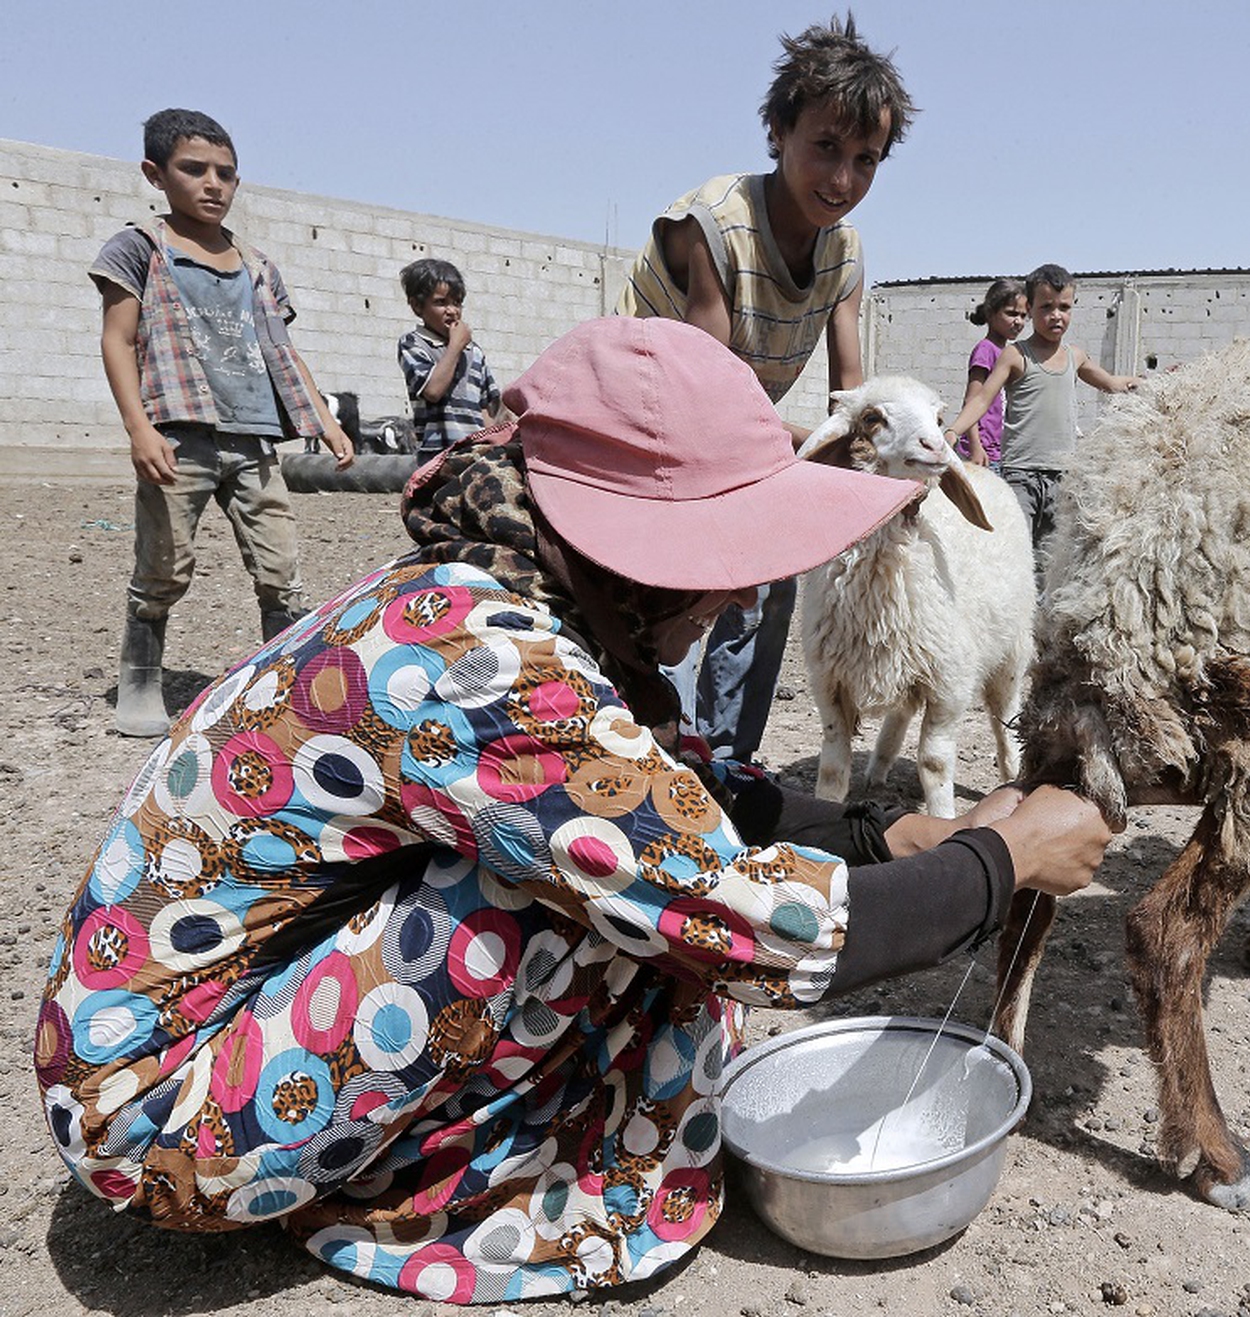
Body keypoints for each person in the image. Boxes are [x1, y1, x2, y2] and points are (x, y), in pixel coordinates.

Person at [36, 316, 1118, 1303]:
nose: (748, 593)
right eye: (730, 557)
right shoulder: (484, 669)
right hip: (165, 1119)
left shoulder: (491, 594)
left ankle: (449, 1144)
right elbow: (742, 920)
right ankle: (410, 1198)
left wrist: (882, 833)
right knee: (589, 896)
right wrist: (999, 860)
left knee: (619, 855)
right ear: (634, 552)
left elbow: (662, 784)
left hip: (230, 1030)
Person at [613, 14, 915, 764]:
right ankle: (661, 753)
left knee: (773, 574)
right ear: (777, 131)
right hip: (643, 424)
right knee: (679, 585)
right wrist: (809, 454)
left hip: (732, 424)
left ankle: (729, 763)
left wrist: (878, 473)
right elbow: (701, 398)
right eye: (825, 147)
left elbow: (850, 399)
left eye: (866, 159)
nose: (842, 180)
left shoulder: (844, 253)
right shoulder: (715, 225)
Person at [90, 108, 355, 739]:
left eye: (226, 173)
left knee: (280, 568)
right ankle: (141, 676)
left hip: (253, 436)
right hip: (179, 436)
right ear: (155, 174)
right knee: (164, 565)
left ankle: (287, 683)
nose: (213, 184)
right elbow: (117, 339)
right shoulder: (140, 249)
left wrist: (324, 418)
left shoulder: (256, 264)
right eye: (194, 169)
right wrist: (139, 429)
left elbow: (282, 349)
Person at [943, 263, 1141, 565]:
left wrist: (1152, 382)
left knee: (1050, 560)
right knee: (1015, 552)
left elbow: (1112, 384)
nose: (1056, 315)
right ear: (1031, 309)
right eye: (1046, 307)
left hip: (1062, 477)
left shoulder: (1075, 356)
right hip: (1021, 474)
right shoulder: (1016, 355)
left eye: (1064, 307)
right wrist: (953, 431)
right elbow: (981, 398)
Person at [397, 257, 503, 465]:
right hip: (438, 458)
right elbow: (433, 391)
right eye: (441, 302)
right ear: (417, 306)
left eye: (457, 303)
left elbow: (486, 409)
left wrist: (493, 448)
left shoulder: (474, 352)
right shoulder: (414, 344)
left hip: (475, 455)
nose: (452, 311)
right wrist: (455, 346)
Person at [956, 277, 1028, 468]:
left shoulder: (1007, 353)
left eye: (1023, 316)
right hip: (982, 452)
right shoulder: (986, 350)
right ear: (991, 312)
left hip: (998, 451)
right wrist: (975, 446)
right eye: (1011, 313)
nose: (1018, 321)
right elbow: (971, 400)